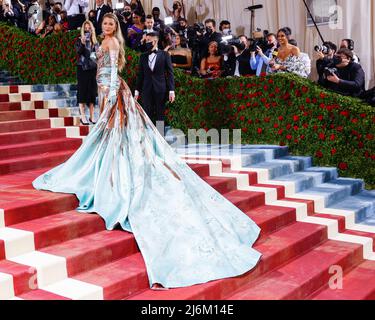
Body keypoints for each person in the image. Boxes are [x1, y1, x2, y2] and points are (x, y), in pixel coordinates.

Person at [32, 12, 261, 290]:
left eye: (110, 24)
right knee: (116, 139)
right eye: (104, 23)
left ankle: (113, 176)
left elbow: (109, 73)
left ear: (114, 28)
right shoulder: (106, 44)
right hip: (115, 91)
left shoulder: (110, 45)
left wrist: (107, 96)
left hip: (113, 92)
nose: (106, 26)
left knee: (117, 137)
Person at [134, 32, 175, 124]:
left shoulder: (165, 55)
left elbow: (170, 73)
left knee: (160, 115)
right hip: (146, 89)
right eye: (146, 40)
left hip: (160, 89)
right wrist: (137, 91)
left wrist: (171, 91)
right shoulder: (143, 56)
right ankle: (148, 137)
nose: (146, 42)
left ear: (155, 41)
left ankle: (160, 137)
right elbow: (140, 75)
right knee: (146, 115)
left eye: (148, 40)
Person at [75, 20, 99, 125]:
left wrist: (93, 55)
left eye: (89, 28)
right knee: (82, 91)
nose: (87, 30)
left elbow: (97, 56)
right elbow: (78, 52)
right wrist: (83, 44)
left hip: (93, 69)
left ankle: (92, 116)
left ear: (92, 29)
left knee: (92, 92)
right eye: (86, 29)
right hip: (82, 68)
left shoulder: (95, 42)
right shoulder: (79, 40)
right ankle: (83, 116)